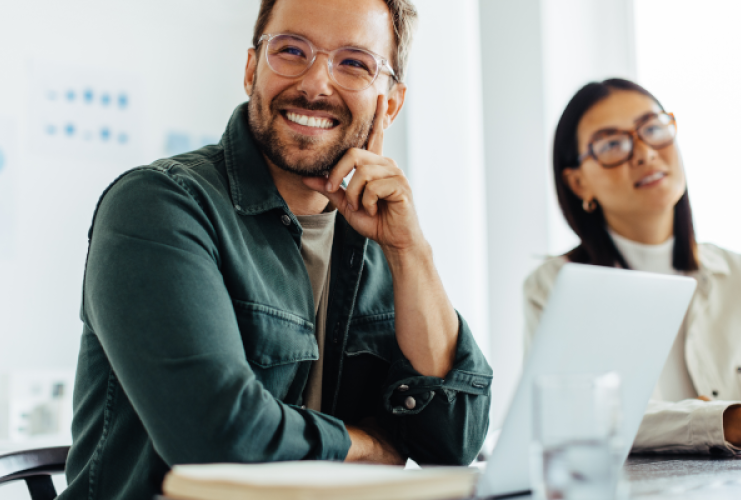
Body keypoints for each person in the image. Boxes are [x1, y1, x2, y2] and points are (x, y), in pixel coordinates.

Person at [59, 0, 493, 497]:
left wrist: (409, 250)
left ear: (389, 104)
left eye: (354, 63)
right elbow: (216, 437)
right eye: (291, 51)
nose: (315, 84)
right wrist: (368, 446)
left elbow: (455, 439)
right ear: (251, 70)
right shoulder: (158, 206)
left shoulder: (380, 238)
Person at [524, 78, 741, 455]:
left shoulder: (739, 276)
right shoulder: (553, 286)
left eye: (652, 129)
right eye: (613, 144)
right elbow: (576, 419)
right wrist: (734, 422)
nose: (645, 153)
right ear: (578, 182)